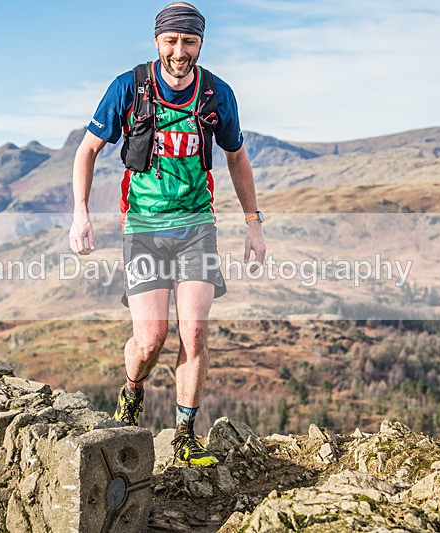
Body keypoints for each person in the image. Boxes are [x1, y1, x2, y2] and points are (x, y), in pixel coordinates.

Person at [70, 2, 266, 467]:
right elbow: (87, 150)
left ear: (201, 43)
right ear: (157, 42)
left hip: (198, 226)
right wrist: (80, 213)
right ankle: (132, 389)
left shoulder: (217, 94)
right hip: (143, 227)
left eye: (189, 41)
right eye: (171, 41)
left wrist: (253, 223)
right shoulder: (129, 88)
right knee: (151, 339)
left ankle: (184, 435)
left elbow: (237, 158)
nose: (180, 51)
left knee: (194, 333)